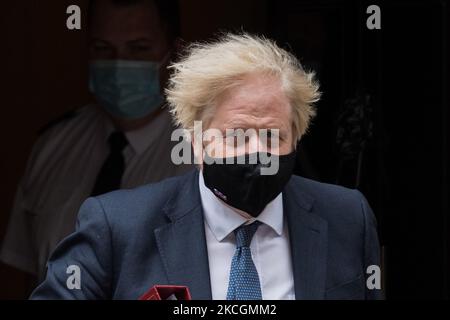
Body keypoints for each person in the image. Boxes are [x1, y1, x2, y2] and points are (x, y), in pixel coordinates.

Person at [30, 33, 382, 300]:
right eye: (237, 136)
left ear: (297, 138)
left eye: (273, 137)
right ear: (196, 142)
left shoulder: (348, 217)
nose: (257, 152)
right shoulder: (117, 227)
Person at [0, 0, 190, 284]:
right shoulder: (52, 146)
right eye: (103, 48)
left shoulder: (204, 157)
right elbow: (27, 272)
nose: (117, 64)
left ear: (175, 53)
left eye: (138, 48)